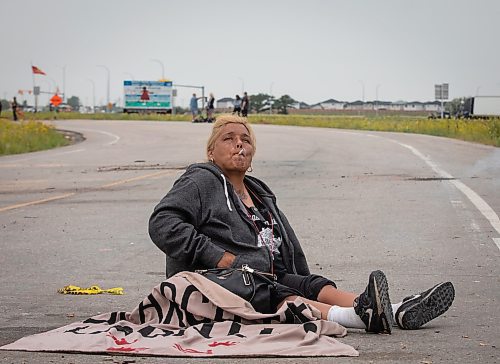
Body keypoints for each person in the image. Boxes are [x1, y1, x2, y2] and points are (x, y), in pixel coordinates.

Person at [149, 115, 455, 334]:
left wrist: (298, 277)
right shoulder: (201, 179)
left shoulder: (258, 191)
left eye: (245, 140)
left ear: (253, 153)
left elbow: (283, 247)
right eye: (228, 139)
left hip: (263, 274)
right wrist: (220, 257)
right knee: (272, 288)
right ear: (210, 151)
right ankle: (357, 317)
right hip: (216, 281)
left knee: (308, 283)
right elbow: (163, 222)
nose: (239, 145)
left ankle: (393, 309)